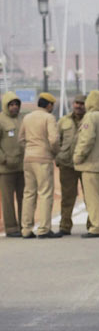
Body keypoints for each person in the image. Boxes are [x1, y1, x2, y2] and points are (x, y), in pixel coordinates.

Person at [72, 90, 99, 238]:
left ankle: (96, 227)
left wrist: (78, 156)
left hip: (91, 164)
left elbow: (87, 140)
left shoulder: (90, 117)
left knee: (92, 197)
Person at [19, 93, 61, 238]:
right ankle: (43, 229)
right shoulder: (49, 118)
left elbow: (21, 139)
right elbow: (54, 139)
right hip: (43, 159)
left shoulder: (27, 117)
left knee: (29, 194)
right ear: (49, 105)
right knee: (45, 193)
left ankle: (26, 229)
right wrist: (54, 153)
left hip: (28, 159)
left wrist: (29, 150)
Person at [56, 95, 86, 235]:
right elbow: (57, 140)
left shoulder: (90, 120)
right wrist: (58, 157)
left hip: (86, 164)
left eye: (81, 103)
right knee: (67, 197)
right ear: (72, 104)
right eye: (76, 103)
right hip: (66, 165)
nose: (78, 106)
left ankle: (93, 225)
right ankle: (64, 226)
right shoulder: (64, 121)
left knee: (90, 197)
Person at [0, 92, 25, 238]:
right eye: (11, 105)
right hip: (6, 168)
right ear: (6, 106)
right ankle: (11, 228)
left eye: (16, 104)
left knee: (24, 197)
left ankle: (24, 225)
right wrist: (3, 159)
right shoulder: (1, 120)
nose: (14, 107)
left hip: (22, 166)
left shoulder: (22, 119)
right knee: (8, 199)